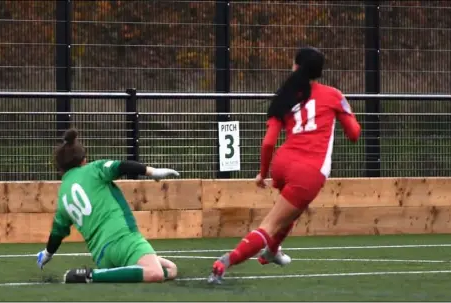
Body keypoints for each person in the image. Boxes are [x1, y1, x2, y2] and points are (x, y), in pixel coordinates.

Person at [207, 47, 361, 284]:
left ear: (296, 66)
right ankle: (225, 262)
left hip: (283, 161)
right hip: (309, 171)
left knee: (290, 213)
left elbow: (269, 142)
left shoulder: (284, 96)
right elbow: (354, 134)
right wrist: (344, 109)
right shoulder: (333, 95)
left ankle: (272, 252)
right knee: (271, 223)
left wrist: (263, 172)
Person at [35, 128, 181, 284]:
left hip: (102, 256)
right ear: (84, 160)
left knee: (171, 269)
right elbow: (122, 166)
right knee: (156, 273)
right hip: (123, 238)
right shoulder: (94, 169)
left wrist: (47, 254)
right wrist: (152, 172)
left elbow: (57, 233)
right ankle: (90, 275)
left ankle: (103, 273)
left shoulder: (62, 195)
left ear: (60, 168)